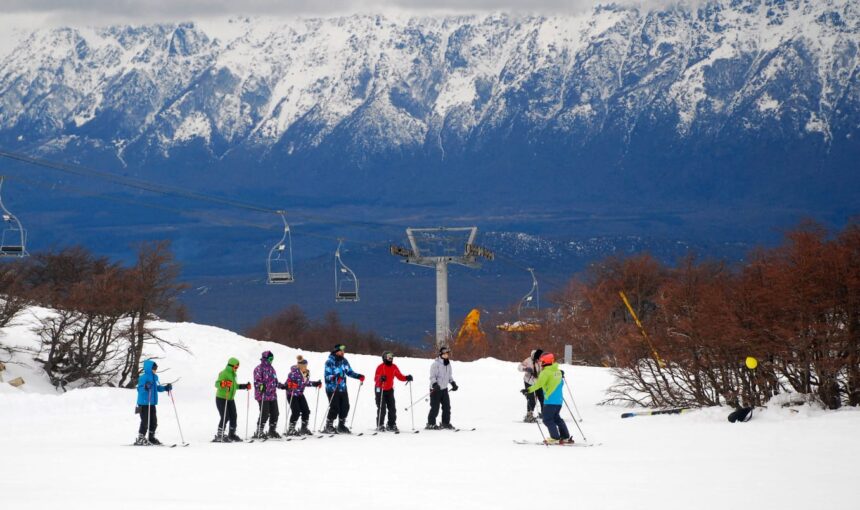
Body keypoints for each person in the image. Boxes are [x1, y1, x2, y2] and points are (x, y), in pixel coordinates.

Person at [524, 352, 571, 444]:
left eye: (541, 361)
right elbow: (561, 383)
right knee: (556, 418)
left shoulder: (545, 373)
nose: (540, 363)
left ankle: (555, 437)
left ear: (545, 362)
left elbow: (539, 384)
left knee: (547, 419)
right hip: (558, 401)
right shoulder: (557, 372)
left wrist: (528, 390)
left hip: (550, 401)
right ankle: (565, 436)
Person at [323, 344, 365, 434]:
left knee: (345, 406)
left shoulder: (344, 361)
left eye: (343, 351)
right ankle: (328, 426)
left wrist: (358, 376)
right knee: (335, 407)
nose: (343, 353)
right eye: (341, 351)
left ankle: (341, 426)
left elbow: (349, 372)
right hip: (332, 389)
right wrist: (335, 377)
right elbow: (327, 377)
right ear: (336, 351)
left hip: (342, 388)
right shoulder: (329, 362)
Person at [135, 359, 172, 445]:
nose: (155, 370)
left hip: (151, 403)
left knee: (154, 421)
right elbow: (139, 389)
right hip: (144, 403)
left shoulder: (154, 378)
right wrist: (145, 387)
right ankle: (141, 438)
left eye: (156, 368)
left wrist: (166, 388)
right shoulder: (143, 378)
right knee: (145, 421)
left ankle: (151, 437)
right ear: (149, 368)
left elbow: (157, 388)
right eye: (154, 368)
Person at [373, 351, 413, 432]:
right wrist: (381, 378)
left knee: (392, 408)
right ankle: (380, 425)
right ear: (384, 358)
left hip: (389, 389)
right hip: (380, 389)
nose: (390, 358)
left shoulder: (394, 367)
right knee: (382, 408)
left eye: (391, 357)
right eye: (389, 357)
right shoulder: (380, 367)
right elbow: (375, 378)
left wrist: (406, 377)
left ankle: (391, 424)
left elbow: (399, 376)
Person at [214, 357, 251, 443]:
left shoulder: (233, 375)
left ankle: (232, 434)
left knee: (233, 416)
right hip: (221, 398)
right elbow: (216, 384)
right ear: (231, 366)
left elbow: (235, 386)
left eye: (237, 367)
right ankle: (220, 435)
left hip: (230, 398)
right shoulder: (224, 373)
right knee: (225, 416)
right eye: (235, 367)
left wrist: (244, 386)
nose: (236, 369)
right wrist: (223, 383)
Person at [285, 355, 322, 436]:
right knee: (296, 412)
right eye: (304, 366)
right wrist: (292, 385)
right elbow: (286, 384)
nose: (305, 367)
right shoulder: (293, 373)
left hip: (300, 394)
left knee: (306, 411)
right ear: (299, 366)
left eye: (306, 365)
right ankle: (291, 429)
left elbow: (306, 383)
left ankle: (303, 428)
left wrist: (315, 383)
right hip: (292, 395)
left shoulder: (306, 373)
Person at [253, 350, 286, 439]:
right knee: (265, 413)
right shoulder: (258, 369)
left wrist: (282, 386)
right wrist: (261, 386)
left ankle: (272, 431)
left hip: (272, 395)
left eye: (272, 359)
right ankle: (259, 431)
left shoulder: (272, 369)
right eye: (270, 358)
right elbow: (257, 382)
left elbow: (275, 382)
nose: (271, 360)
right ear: (265, 358)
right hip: (262, 395)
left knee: (275, 413)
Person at [426, 346, 458, 430]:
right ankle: (431, 424)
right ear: (441, 354)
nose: (446, 355)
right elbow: (432, 377)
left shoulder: (448, 364)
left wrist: (453, 383)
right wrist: (435, 385)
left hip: (444, 389)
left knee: (447, 407)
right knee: (435, 408)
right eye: (444, 354)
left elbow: (449, 376)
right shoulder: (435, 364)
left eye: (447, 354)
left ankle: (445, 423)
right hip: (436, 389)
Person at [518, 349, 545, 422]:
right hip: (528, 382)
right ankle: (529, 414)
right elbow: (519, 367)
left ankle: (544, 414)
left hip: (538, 383)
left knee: (542, 398)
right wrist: (525, 368)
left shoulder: (541, 361)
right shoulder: (528, 360)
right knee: (531, 399)